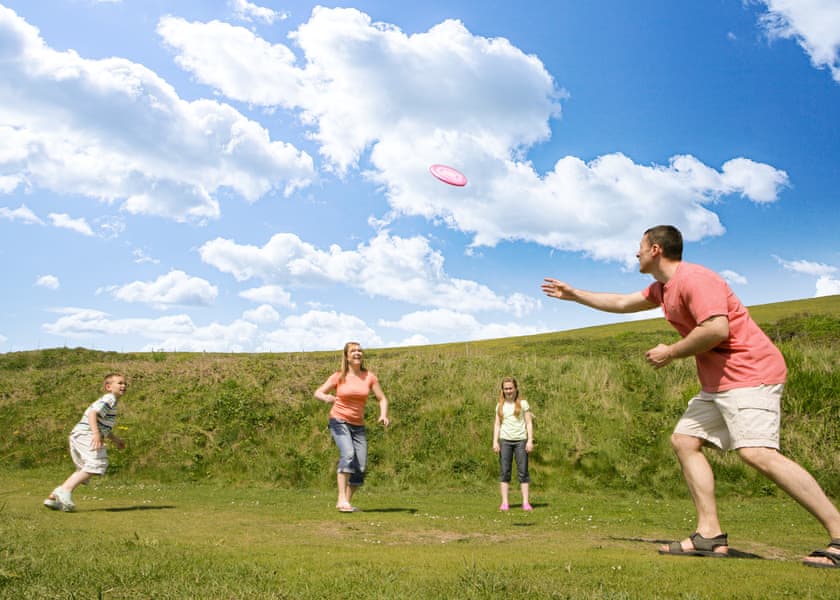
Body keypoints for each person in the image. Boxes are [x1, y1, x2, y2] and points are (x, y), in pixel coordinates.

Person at [542, 225, 840, 567]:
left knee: (758, 453)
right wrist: (575, 294)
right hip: (718, 383)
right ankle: (709, 535)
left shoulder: (696, 279)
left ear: (655, 249)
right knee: (685, 440)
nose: (635, 253)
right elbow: (623, 302)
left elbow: (716, 329)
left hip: (750, 373)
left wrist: (671, 352)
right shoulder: (662, 288)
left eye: (639, 247)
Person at [314, 342, 390, 512]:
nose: (357, 353)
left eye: (359, 350)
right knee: (348, 454)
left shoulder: (369, 377)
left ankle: (346, 503)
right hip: (339, 420)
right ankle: (341, 498)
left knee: (360, 466)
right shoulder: (339, 376)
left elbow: (382, 398)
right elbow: (318, 392)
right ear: (347, 356)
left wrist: (383, 414)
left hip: (358, 425)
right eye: (353, 351)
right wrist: (326, 398)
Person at [43, 373, 127, 512]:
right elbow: (92, 413)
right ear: (108, 387)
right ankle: (64, 491)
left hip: (79, 434)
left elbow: (103, 426)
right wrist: (95, 434)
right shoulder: (109, 398)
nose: (123, 386)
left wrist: (116, 440)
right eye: (119, 383)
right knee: (98, 463)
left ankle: (53, 498)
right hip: (86, 434)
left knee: (85, 468)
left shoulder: (111, 401)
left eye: (125, 384)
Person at [492, 377, 534, 511]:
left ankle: (526, 502)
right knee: (505, 472)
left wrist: (530, 440)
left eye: (510, 388)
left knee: (523, 472)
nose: (508, 391)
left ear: (515, 388)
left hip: (521, 441)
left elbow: (528, 423)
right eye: (506, 388)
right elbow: (497, 424)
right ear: (502, 390)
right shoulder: (500, 405)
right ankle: (505, 503)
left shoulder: (523, 403)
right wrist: (495, 441)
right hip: (505, 442)